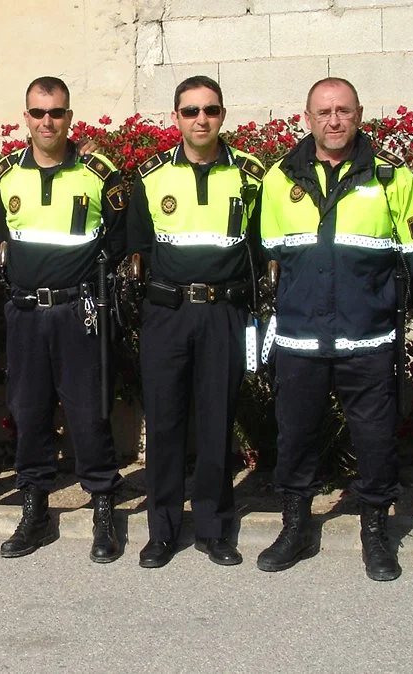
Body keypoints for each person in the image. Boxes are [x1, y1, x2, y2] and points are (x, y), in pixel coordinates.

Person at [258, 77, 413, 581]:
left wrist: (385, 305)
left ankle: (375, 532)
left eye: (343, 111)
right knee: (295, 437)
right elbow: (270, 254)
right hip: (299, 339)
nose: (334, 120)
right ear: (307, 118)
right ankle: (295, 526)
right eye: (323, 112)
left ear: (359, 115)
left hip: (367, 339)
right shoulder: (279, 178)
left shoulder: (391, 177)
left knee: (375, 439)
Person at [128, 76, 266, 569]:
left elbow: (259, 245)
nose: (200, 120)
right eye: (190, 111)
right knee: (164, 424)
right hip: (167, 315)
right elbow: (137, 249)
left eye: (209, 110)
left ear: (222, 115)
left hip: (224, 313)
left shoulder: (250, 175)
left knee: (216, 422)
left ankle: (213, 528)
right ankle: (161, 530)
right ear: (176, 117)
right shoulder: (150, 176)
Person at [0, 77, 125, 563]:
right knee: (28, 413)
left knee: (90, 413)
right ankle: (35, 510)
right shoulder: (3, 173)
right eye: (39, 113)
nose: (48, 121)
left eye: (57, 113)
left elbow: (123, 237)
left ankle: (104, 508)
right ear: (26, 117)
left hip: (78, 312)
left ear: (70, 117)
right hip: (25, 312)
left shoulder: (98, 172)